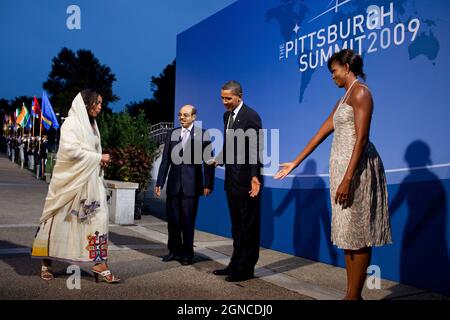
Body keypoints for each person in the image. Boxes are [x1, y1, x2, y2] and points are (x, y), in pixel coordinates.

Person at [274, 49, 392, 300]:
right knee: (348, 234)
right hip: (342, 172)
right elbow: (321, 132)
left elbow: (362, 139)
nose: (332, 77)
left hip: (357, 172)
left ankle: (353, 297)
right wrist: (295, 161)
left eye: (334, 71)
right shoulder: (341, 100)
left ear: (347, 68)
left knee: (359, 234)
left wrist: (348, 178)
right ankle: (351, 295)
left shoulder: (361, 92)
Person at [31, 89, 120, 283]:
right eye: (97, 103)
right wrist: (98, 157)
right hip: (70, 183)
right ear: (87, 104)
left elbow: (93, 150)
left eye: (101, 103)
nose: (100, 107)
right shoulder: (71, 123)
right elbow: (70, 151)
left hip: (91, 182)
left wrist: (100, 159)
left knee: (98, 218)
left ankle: (99, 262)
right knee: (60, 220)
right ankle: (46, 261)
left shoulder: (93, 125)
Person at [211, 80, 263, 282]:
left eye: (228, 98)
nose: (224, 102)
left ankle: (246, 269)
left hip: (248, 180)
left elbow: (256, 149)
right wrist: (218, 160)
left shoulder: (251, 116)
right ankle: (235, 263)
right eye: (222, 98)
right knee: (236, 226)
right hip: (231, 180)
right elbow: (231, 145)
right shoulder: (227, 116)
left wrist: (254, 177)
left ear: (239, 96)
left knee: (248, 226)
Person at [155, 104, 215, 265]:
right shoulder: (172, 134)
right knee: (173, 221)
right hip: (174, 185)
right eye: (180, 115)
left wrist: (208, 184)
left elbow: (208, 162)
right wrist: (160, 181)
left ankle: (187, 254)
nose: (181, 117)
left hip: (192, 187)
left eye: (185, 115)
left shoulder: (203, 135)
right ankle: (173, 251)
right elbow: (165, 160)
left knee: (188, 221)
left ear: (194, 117)